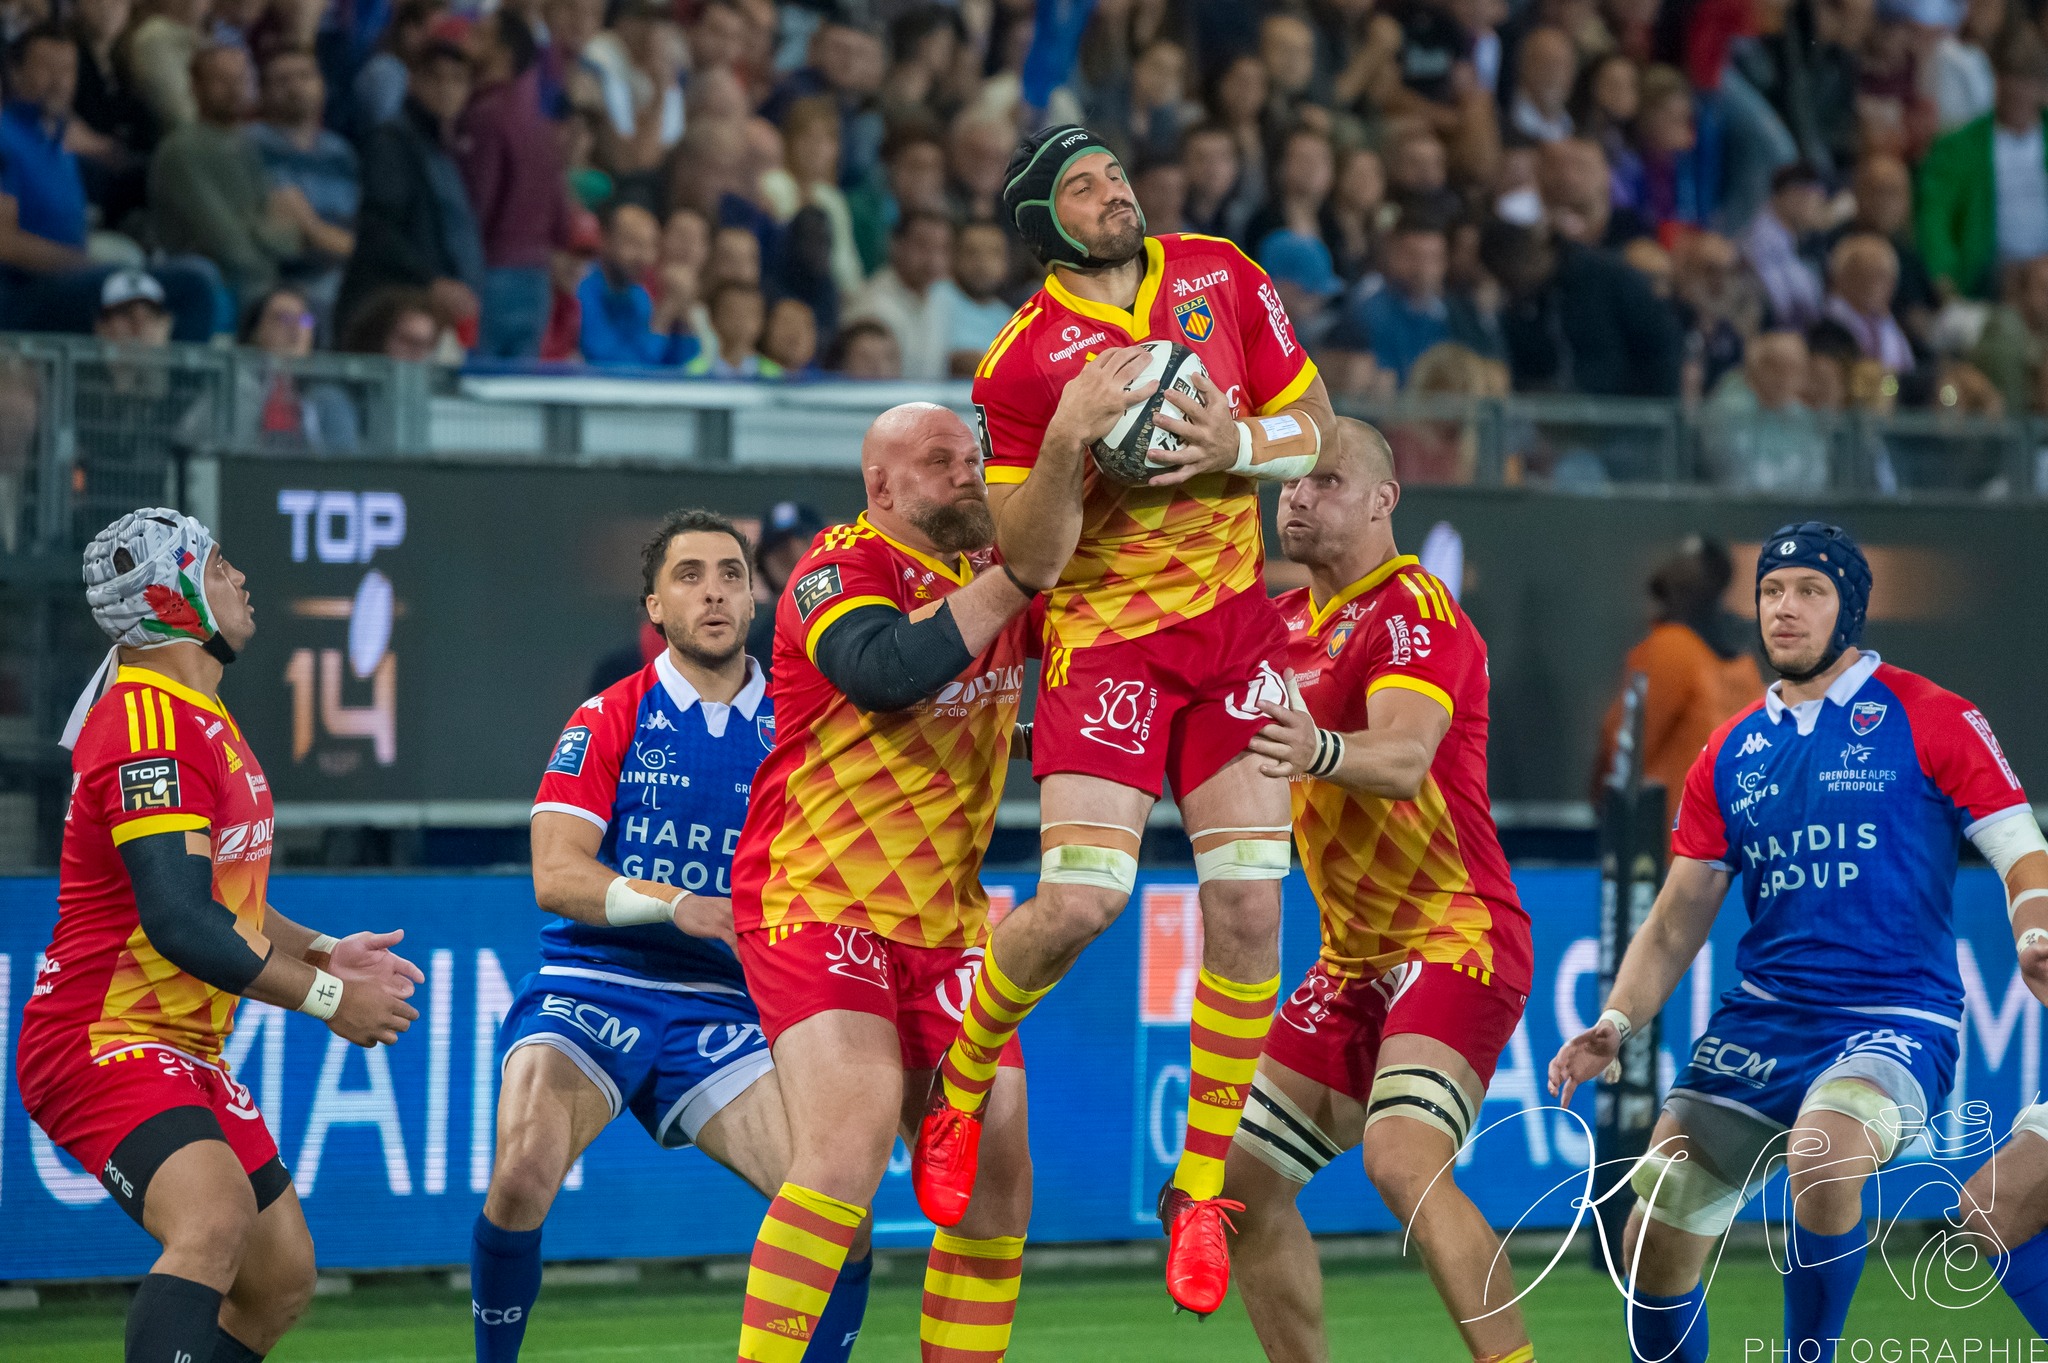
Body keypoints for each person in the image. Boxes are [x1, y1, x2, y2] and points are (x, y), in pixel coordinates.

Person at [916, 123, 1337, 1316]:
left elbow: (1321, 424)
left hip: (1233, 636)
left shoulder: (1217, 271)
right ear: (1044, 222)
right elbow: (1033, 562)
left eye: (1114, 174)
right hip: (1105, 642)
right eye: (1085, 186)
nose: (1115, 193)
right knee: (1082, 902)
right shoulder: (1016, 363)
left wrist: (1236, 442)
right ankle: (959, 1077)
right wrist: (1062, 443)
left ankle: (1197, 1191)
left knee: (1251, 908)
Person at [1548, 523, 2048, 1363]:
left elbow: (2020, 845)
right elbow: (1676, 918)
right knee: (1648, 1241)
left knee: (1825, 1153)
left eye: (1809, 591)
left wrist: (2034, 923)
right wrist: (1618, 1021)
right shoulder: (1730, 748)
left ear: (1848, 608)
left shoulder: (1934, 718)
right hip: (1764, 1024)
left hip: (1893, 1019)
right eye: (1772, 592)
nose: (1785, 609)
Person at [15, 508, 421, 1363]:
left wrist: (319, 950)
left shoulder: (194, 715)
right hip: (103, 1035)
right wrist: (329, 997)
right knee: (214, 1219)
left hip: (183, 1043)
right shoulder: (148, 725)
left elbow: (221, 897)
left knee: (280, 1276)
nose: (241, 579)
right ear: (172, 596)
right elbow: (180, 921)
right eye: (222, 564)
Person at [473, 509, 872, 1363]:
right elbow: (557, 872)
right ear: (655, 605)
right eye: (689, 576)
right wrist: (675, 903)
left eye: (731, 573)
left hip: (727, 1006)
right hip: (594, 986)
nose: (714, 590)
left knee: (845, 1215)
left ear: (757, 597)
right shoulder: (611, 713)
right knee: (519, 1173)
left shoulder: (806, 722)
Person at [727, 403, 1041, 1363]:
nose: (967, 475)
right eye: (940, 461)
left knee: (996, 1176)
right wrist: (1025, 577)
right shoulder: (837, 565)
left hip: (946, 919)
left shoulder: (998, 575)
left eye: (973, 458)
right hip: (817, 894)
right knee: (849, 1142)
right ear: (882, 487)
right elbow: (884, 670)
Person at [1221, 419, 1539, 1363]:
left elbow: (1402, 758)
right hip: (1353, 959)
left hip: (1456, 936)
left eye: (1324, 480)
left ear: (1382, 499)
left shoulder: (1416, 608)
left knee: (1402, 1158)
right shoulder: (1275, 626)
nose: (1299, 498)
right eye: (1291, 484)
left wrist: (1313, 748)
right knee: (1235, 1193)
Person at [1590, 537, 1764, 830]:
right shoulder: (1744, 666)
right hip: (1737, 844)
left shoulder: (1670, 648)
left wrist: (1603, 806)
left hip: (1673, 851)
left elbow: (1624, 745)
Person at [335, 38, 484, 348]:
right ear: (414, 81)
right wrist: (431, 281)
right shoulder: (391, 143)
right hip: (385, 313)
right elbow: (378, 230)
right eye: (436, 77)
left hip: (425, 314)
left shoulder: (443, 151)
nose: (446, 89)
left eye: (457, 80)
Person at [149, 45, 310, 309]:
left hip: (261, 287)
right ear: (195, 86)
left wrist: (256, 229)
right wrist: (261, 230)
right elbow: (228, 243)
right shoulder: (182, 150)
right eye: (222, 80)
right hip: (210, 288)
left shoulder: (249, 147)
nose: (235, 89)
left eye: (242, 79)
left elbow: (291, 241)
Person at [461, 8, 570, 360]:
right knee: (515, 401)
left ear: (503, 54)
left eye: (480, 36)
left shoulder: (484, 115)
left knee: (477, 399)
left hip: (492, 273)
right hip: (536, 280)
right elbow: (561, 216)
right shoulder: (539, 123)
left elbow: (478, 203)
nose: (467, 41)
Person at [1918, 27, 2048, 300]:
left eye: (2027, 84)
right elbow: (1934, 216)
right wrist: (1944, 276)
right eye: (2010, 82)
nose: (2018, 95)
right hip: (1990, 276)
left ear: (2042, 89)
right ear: (1997, 83)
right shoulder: (1958, 147)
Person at [247, 48, 358, 327]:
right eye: (282, 81)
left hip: (338, 274)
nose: (296, 87)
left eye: (305, 76)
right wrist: (320, 235)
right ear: (262, 91)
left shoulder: (340, 153)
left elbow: (352, 232)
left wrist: (316, 230)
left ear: (322, 86)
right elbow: (286, 230)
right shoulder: (248, 146)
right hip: (277, 278)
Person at [577, 202, 697, 368]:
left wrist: (682, 312)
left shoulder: (639, 297)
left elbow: (679, 363)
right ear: (605, 241)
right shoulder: (582, 291)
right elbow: (613, 365)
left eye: (650, 246)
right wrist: (664, 315)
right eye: (633, 243)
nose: (644, 257)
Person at [844, 210, 956, 382]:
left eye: (942, 249)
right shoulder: (872, 305)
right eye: (922, 246)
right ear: (895, 244)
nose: (934, 259)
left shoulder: (943, 296)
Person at [1739, 162, 1826, 331]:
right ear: (1790, 195)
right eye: (1811, 197)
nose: (1817, 206)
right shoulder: (1762, 237)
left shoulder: (1786, 238)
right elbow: (1783, 308)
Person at [742, 499, 823, 678]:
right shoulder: (756, 645)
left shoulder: (856, 611)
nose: (790, 554)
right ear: (764, 561)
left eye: (802, 539)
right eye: (778, 547)